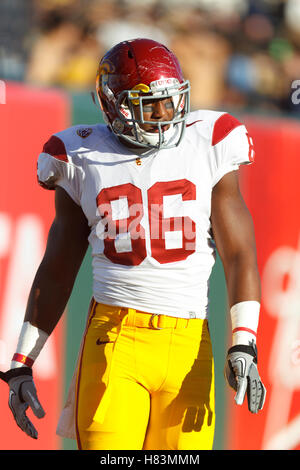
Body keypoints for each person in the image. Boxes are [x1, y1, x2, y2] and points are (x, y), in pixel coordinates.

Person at [0, 38, 266, 450]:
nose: (164, 114)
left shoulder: (210, 140)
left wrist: (243, 341)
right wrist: (22, 362)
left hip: (191, 343)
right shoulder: (78, 155)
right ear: (113, 105)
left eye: (169, 101)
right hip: (115, 338)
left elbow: (239, 252)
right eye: (147, 104)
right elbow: (58, 267)